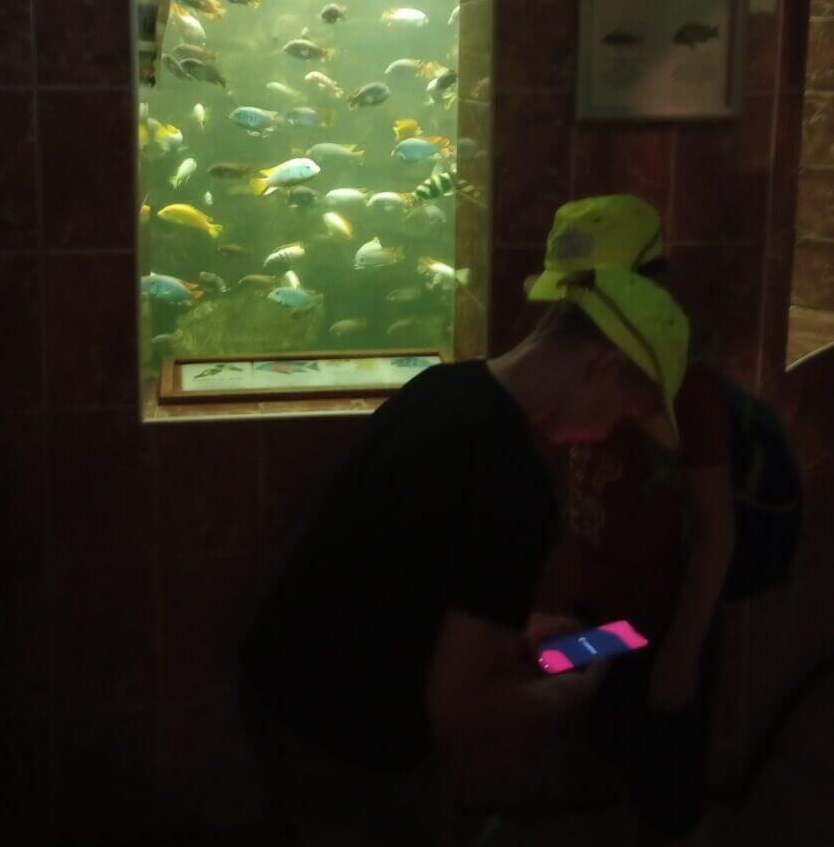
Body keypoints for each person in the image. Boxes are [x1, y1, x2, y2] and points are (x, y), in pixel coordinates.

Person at [236, 264, 691, 846]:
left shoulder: (440, 386)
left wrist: (511, 624)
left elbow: (397, 562)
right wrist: (562, 694)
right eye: (623, 413)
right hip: (345, 736)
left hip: (277, 676)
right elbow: (454, 703)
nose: (607, 434)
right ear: (601, 368)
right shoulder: (519, 487)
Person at [523, 195, 736, 842]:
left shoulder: (682, 388)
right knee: (607, 742)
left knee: (664, 772)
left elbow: (715, 530)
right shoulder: (581, 370)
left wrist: (682, 654)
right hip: (595, 618)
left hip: (660, 628)